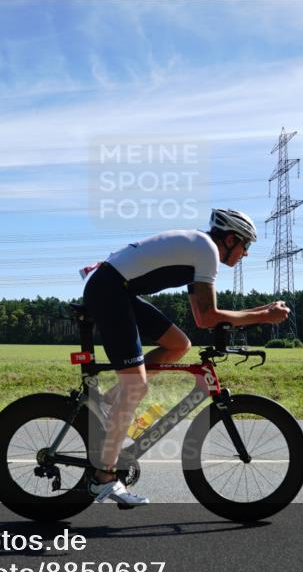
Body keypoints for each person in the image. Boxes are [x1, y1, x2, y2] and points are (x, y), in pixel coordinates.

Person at [80, 208, 291, 506]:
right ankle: (103, 478)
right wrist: (264, 316)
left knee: (179, 344)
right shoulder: (206, 252)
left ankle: (111, 400)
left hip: (116, 289)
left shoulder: (200, 250)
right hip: (110, 290)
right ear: (230, 239)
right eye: (246, 245)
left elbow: (202, 316)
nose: (246, 253)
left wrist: (262, 313)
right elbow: (208, 318)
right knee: (136, 387)